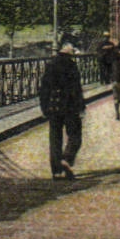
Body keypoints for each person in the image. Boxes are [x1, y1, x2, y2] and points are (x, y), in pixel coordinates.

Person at [38, 37, 87, 180]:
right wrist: (81, 106)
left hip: (53, 106)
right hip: (70, 106)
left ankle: (56, 171)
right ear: (66, 46)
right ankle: (66, 159)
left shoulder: (51, 64)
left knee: (55, 138)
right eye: (73, 46)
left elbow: (44, 88)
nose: (75, 50)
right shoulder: (71, 65)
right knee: (75, 136)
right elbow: (77, 89)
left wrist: (44, 108)